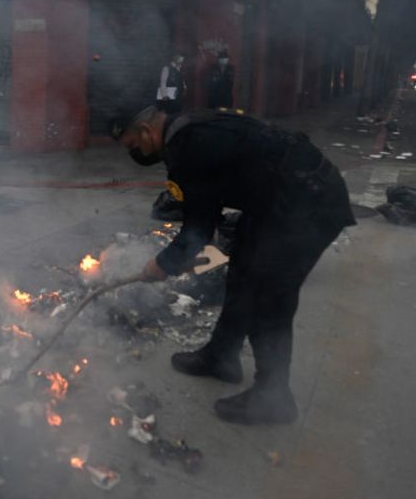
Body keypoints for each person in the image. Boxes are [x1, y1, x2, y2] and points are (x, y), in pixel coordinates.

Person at [113, 105, 355, 425]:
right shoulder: (190, 127)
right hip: (280, 198)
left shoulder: (187, 148)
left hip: (308, 203)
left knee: (270, 296)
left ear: (146, 131)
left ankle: (273, 398)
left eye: (134, 145)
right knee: (243, 271)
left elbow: (199, 228)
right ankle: (222, 357)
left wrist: (161, 265)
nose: (137, 153)